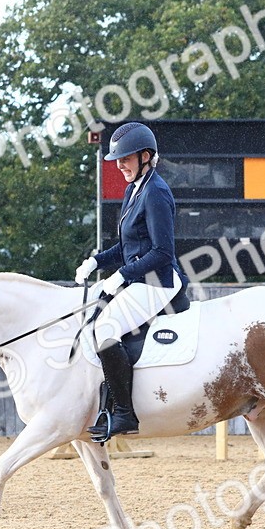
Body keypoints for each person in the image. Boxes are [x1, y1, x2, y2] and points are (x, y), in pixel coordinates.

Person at [74, 121, 188, 441]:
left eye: (125, 159)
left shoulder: (156, 192)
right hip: (139, 278)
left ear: (145, 156)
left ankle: (124, 414)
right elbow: (127, 247)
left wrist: (122, 275)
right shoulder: (134, 188)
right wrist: (97, 261)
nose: (119, 165)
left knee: (105, 328)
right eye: (118, 159)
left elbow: (162, 252)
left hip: (157, 282)